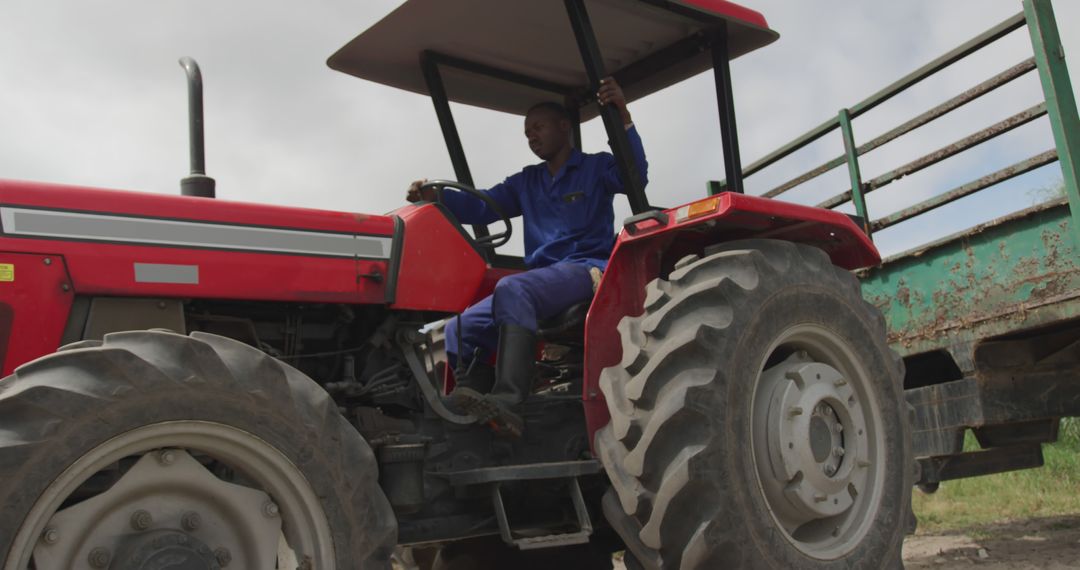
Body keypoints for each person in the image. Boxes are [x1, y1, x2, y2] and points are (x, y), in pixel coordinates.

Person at [407, 77, 647, 436]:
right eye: (527, 133)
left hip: (587, 269)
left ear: (564, 127)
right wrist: (436, 196)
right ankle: (475, 402)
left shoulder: (595, 167)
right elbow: (481, 206)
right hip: (543, 279)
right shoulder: (527, 181)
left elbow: (636, 176)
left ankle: (509, 401)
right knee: (460, 328)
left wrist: (622, 116)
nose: (532, 137)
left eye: (538, 127)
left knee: (513, 289)